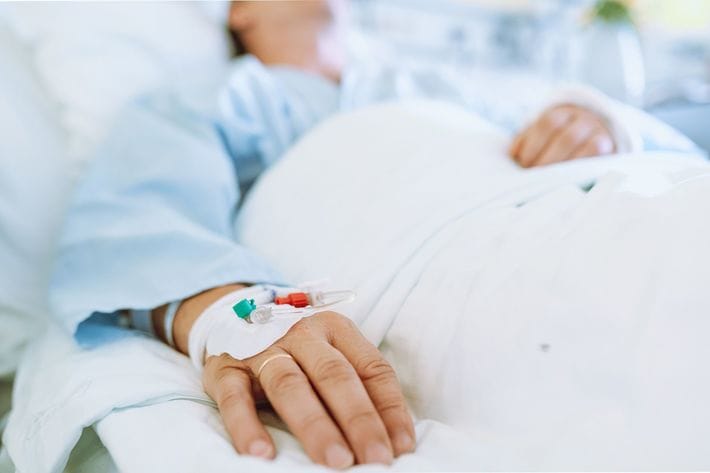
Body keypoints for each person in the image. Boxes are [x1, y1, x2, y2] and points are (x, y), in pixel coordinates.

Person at [49, 0, 672, 470]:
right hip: (441, 259)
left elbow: (627, 150)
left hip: (575, 208)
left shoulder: (428, 88)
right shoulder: (210, 98)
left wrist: (596, 123)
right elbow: (139, 218)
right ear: (241, 12)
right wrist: (240, 318)